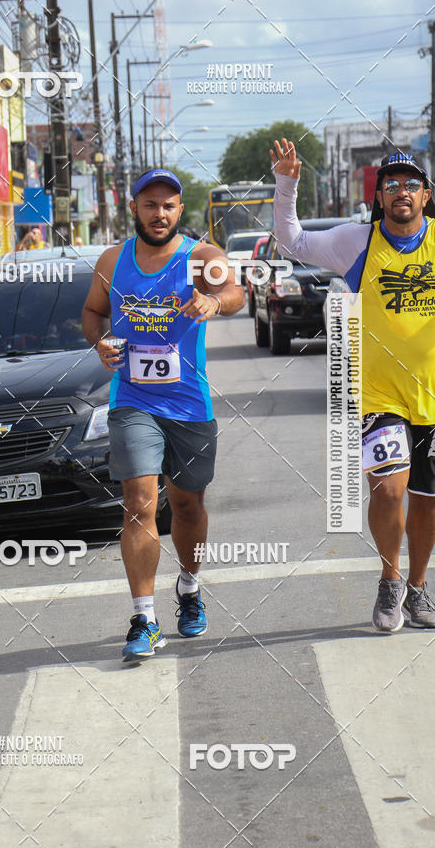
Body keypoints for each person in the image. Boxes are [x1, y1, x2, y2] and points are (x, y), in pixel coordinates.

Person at [270, 138, 435, 632]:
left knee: (428, 500)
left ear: (426, 195)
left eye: (412, 184)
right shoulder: (356, 242)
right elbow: (291, 241)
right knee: (388, 491)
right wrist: (286, 183)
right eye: (391, 185)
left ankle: (418, 590)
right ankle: (390, 580)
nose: (401, 192)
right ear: (379, 197)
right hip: (377, 395)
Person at [82, 169, 244, 661]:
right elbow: (92, 313)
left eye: (169, 204)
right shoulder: (113, 259)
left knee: (188, 505)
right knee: (139, 501)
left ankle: (190, 589)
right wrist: (101, 343)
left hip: (189, 403)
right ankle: (144, 617)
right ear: (135, 208)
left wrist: (213, 301)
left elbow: (237, 294)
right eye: (150, 204)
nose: (160, 213)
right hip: (132, 399)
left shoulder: (200, 257)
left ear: (180, 209)